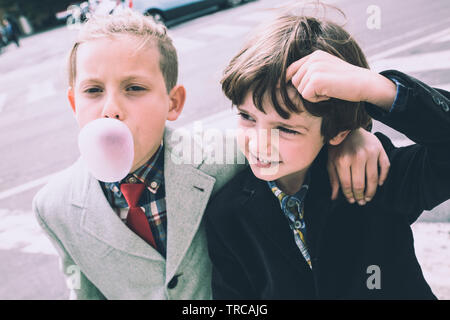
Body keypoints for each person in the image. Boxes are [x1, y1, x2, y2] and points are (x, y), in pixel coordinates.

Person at [33, 9, 390, 299]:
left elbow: (297, 138)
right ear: (72, 102)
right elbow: (85, 291)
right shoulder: (54, 206)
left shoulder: (228, 156)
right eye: (93, 90)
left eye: (134, 88)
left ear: (173, 103)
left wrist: (353, 134)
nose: (111, 109)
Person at [204, 9, 450, 299]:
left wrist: (377, 88)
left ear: (339, 132)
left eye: (285, 129)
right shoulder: (228, 214)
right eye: (247, 117)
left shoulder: (373, 172)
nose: (259, 143)